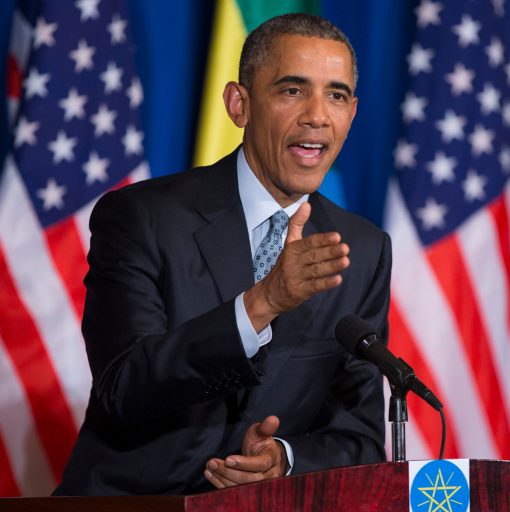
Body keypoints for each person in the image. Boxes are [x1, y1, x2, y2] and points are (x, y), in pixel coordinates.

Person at [55, 13, 391, 495]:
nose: (318, 115)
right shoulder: (141, 217)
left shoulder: (362, 249)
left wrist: (286, 460)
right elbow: (123, 388)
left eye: (336, 96)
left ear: (352, 113)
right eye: (292, 90)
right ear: (240, 104)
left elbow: (360, 438)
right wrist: (263, 303)